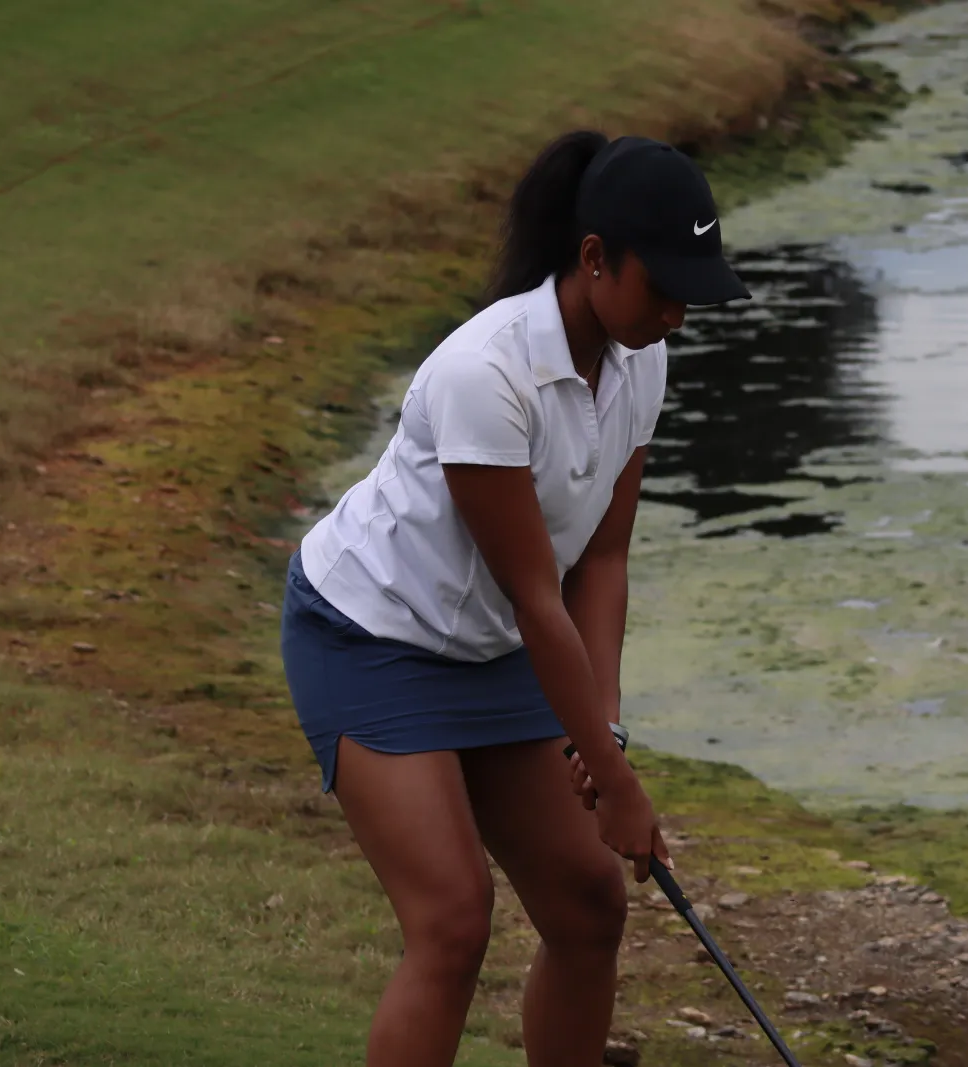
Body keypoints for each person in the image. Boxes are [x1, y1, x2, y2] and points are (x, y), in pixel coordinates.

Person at [280, 129, 750, 1067]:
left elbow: (602, 561)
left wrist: (602, 735)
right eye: (664, 287)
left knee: (588, 904)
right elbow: (538, 596)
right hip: (374, 638)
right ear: (593, 259)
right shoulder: (483, 375)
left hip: (493, 646)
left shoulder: (640, 355)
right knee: (454, 920)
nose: (678, 316)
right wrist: (616, 789)